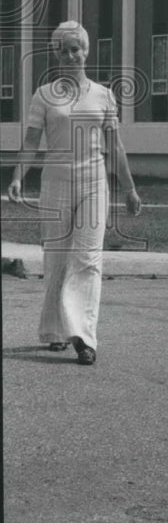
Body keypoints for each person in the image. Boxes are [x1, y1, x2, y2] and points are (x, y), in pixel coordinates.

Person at [6, 21, 141, 366]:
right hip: (55, 182)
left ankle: (82, 336)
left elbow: (115, 145)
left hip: (94, 181)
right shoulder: (44, 95)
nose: (70, 56)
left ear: (86, 51)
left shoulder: (104, 95)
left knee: (88, 258)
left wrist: (129, 188)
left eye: (75, 49)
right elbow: (32, 142)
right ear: (56, 54)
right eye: (63, 50)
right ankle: (54, 330)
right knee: (56, 259)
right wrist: (18, 177)